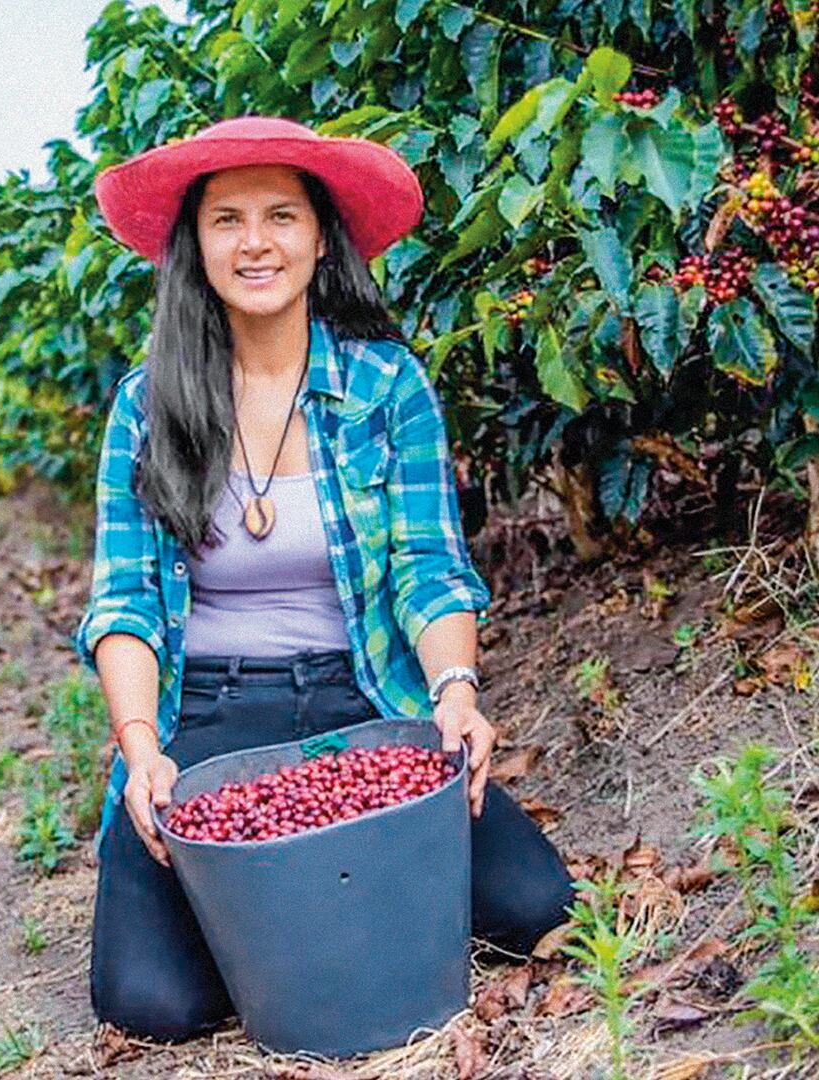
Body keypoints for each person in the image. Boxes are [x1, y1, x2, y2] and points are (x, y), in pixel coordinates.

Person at [76, 116, 575, 1042]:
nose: (254, 242)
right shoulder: (148, 403)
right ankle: (279, 910)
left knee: (536, 908)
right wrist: (143, 752)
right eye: (226, 219)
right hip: (210, 718)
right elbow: (126, 601)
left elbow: (431, 569)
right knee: (155, 1005)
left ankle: (301, 903)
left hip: (360, 698)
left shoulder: (386, 388)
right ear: (195, 243)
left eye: (280, 216)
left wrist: (454, 694)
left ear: (319, 238)